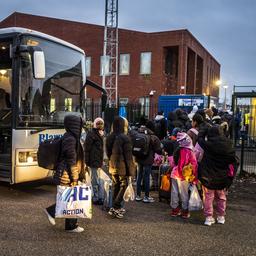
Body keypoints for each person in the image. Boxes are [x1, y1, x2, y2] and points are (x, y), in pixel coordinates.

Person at [44, 114, 85, 233]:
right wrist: (75, 177)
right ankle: (52, 212)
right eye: (79, 125)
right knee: (69, 200)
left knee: (70, 199)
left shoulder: (70, 137)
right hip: (67, 174)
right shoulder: (71, 139)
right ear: (75, 125)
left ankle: (71, 225)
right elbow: (71, 160)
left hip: (66, 173)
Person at [197, 125, 237, 226]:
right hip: (223, 176)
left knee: (208, 197)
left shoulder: (208, 145)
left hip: (208, 175)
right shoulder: (229, 144)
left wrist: (204, 130)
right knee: (221, 197)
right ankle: (221, 216)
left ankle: (208, 217)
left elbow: (199, 139)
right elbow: (233, 160)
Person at [106, 116, 136, 219]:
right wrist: (131, 171)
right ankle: (116, 206)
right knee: (124, 185)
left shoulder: (110, 137)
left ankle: (114, 207)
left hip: (113, 165)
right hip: (122, 167)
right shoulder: (125, 138)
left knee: (116, 185)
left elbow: (108, 152)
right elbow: (128, 157)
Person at [170, 132, 197, 219]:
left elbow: (173, 162)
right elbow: (194, 164)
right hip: (184, 175)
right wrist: (195, 177)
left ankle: (175, 210)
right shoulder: (190, 151)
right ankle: (184, 211)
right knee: (184, 193)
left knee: (174, 192)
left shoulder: (178, 149)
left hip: (174, 173)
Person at [135, 120, 162, 203]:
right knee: (146, 176)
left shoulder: (139, 133)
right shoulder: (153, 136)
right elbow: (158, 150)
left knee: (139, 175)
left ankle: (138, 195)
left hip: (139, 157)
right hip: (148, 158)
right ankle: (146, 197)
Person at [84, 117, 105, 205]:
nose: (100, 125)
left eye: (101, 123)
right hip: (93, 160)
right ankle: (95, 197)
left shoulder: (102, 134)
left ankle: (99, 196)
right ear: (95, 124)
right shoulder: (91, 134)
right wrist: (87, 161)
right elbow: (87, 148)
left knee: (98, 179)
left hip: (99, 160)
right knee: (95, 180)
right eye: (98, 123)